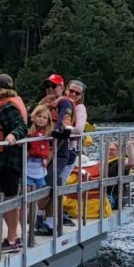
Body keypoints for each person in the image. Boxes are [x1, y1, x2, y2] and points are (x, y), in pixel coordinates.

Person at [0, 74, 28, 252]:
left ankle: (12, 239)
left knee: (9, 197)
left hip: (8, 159)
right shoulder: (5, 103)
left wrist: (12, 136)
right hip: (0, 159)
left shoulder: (7, 106)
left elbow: (21, 126)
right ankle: (13, 236)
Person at [36, 73, 76, 231]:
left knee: (50, 184)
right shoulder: (45, 104)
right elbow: (32, 120)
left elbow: (62, 128)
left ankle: (40, 218)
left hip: (58, 151)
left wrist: (50, 134)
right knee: (50, 185)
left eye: (54, 86)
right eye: (48, 86)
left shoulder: (65, 103)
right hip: (42, 150)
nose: (50, 89)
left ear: (62, 87)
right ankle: (48, 221)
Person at [27, 105, 54, 235]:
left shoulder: (48, 134)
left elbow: (50, 150)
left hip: (40, 170)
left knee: (42, 194)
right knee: (28, 197)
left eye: (45, 118)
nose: (42, 120)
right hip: (28, 169)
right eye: (39, 116)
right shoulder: (29, 132)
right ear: (34, 116)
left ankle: (39, 217)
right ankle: (29, 224)